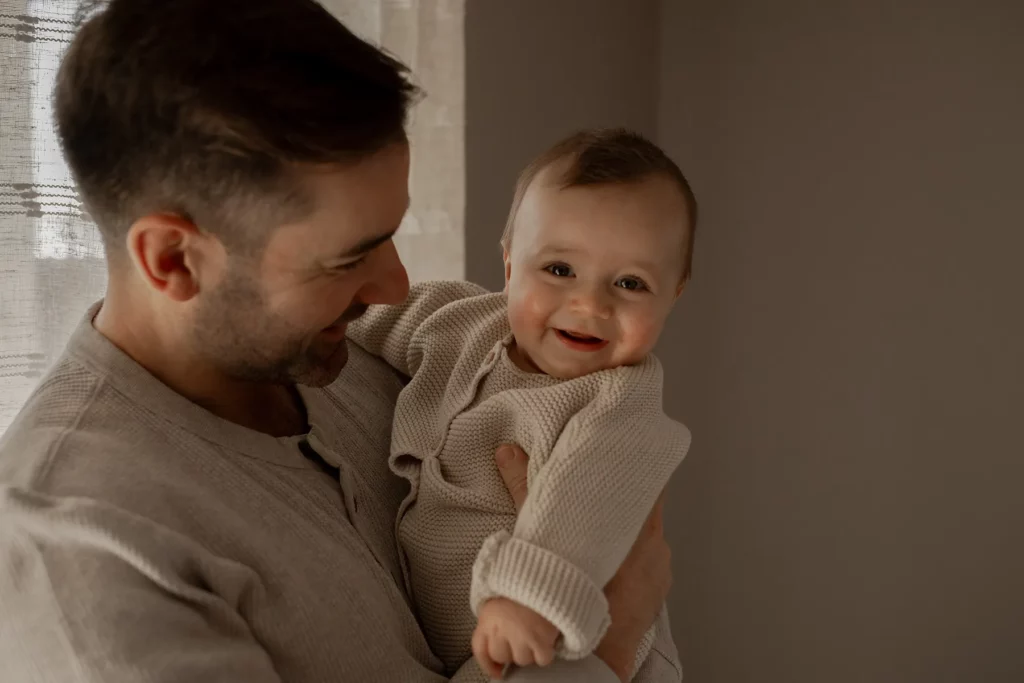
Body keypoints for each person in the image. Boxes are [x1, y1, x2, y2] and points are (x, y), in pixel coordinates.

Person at [0, 1, 673, 682]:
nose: (394, 285)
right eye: (348, 258)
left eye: (390, 236)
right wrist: (611, 641)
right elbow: (619, 599)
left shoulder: (372, 363)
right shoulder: (85, 550)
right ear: (174, 259)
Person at [345, 129, 696, 682]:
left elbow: (586, 499)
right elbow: (375, 312)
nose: (590, 303)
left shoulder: (619, 403)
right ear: (509, 266)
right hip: (479, 644)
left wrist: (525, 598)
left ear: (673, 293)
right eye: (559, 270)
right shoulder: (462, 324)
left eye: (630, 283)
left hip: (570, 643)